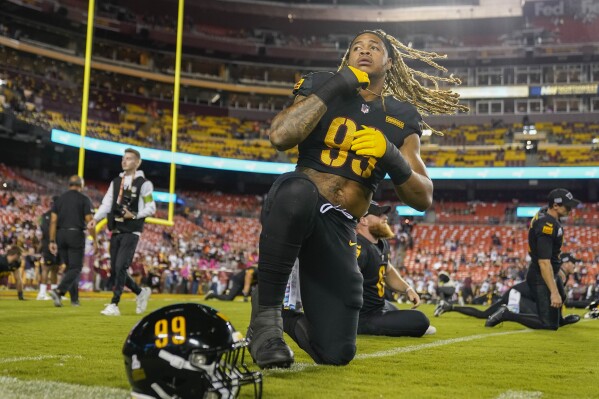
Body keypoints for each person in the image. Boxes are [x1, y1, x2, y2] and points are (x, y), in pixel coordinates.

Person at [248, 29, 466, 368]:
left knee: (336, 352)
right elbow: (280, 135)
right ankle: (266, 323)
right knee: (298, 190)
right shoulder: (321, 84)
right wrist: (336, 85)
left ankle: (285, 316)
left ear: (390, 62)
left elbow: (423, 197)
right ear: (346, 57)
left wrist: (391, 155)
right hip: (298, 205)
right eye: (356, 47)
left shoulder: (400, 115)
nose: (364, 51)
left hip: (340, 227)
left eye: (374, 47)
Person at [483, 189, 581, 330]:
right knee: (548, 324)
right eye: (567, 206)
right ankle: (507, 314)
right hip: (540, 275)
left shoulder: (546, 215)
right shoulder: (547, 226)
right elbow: (544, 262)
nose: (570, 209)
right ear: (555, 206)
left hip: (548, 271)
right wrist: (553, 292)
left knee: (562, 296)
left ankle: (559, 319)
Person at [88, 148, 155, 316]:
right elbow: (107, 203)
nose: (124, 161)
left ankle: (114, 304)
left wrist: (135, 215)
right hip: (116, 229)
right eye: (124, 158)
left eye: (129, 159)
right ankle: (140, 292)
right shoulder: (116, 181)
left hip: (132, 230)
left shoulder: (144, 184)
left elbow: (151, 207)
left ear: (137, 162)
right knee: (116, 269)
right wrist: (95, 219)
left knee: (121, 266)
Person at [434, 252, 580, 327]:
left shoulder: (561, 275)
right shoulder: (557, 274)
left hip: (521, 293)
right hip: (518, 294)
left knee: (483, 314)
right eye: (573, 263)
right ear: (565, 263)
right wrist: (561, 320)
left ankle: (449, 306)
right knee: (543, 319)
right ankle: (506, 313)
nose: (575, 266)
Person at [355, 201, 433, 337]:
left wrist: (407, 289)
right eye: (379, 215)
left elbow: (388, 270)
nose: (385, 217)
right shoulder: (358, 247)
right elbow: (343, 281)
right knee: (420, 320)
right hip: (363, 313)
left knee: (395, 310)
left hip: (378, 305)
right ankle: (358, 326)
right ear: (363, 220)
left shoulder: (382, 243)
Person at [48, 175, 95, 307]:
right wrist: (95, 241)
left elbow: (53, 221)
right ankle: (59, 291)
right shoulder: (84, 199)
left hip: (60, 234)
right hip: (75, 234)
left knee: (70, 269)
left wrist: (52, 240)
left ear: (69, 184)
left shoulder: (59, 199)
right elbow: (90, 221)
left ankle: (74, 300)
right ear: (81, 185)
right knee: (76, 267)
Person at [37, 196, 62, 301]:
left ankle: (54, 292)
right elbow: (45, 231)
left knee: (55, 269)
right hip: (50, 244)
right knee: (46, 268)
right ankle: (42, 293)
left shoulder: (45, 215)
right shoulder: (47, 215)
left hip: (53, 244)